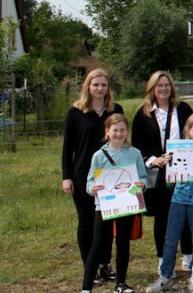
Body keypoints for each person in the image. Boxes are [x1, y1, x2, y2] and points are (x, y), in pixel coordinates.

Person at [62, 68, 124, 284]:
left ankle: (105, 264)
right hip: (82, 175)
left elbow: (122, 140)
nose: (100, 88)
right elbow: (67, 148)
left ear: (108, 88)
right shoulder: (75, 112)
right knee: (87, 222)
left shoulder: (115, 110)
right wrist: (66, 176)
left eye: (103, 85)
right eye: (95, 84)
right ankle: (90, 266)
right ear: (88, 86)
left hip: (110, 175)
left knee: (107, 222)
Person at [132, 71, 193, 272]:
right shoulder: (143, 114)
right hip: (158, 174)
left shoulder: (183, 109)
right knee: (163, 217)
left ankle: (188, 255)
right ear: (152, 88)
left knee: (185, 212)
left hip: (183, 170)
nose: (164, 89)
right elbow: (137, 145)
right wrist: (153, 160)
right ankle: (163, 259)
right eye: (159, 85)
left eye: (167, 85)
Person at [147, 113, 193, 293]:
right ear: (188, 131)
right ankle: (165, 276)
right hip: (179, 198)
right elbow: (170, 182)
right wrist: (169, 164)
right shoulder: (178, 149)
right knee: (171, 238)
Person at [81, 114, 147, 293]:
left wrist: (141, 186)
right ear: (107, 132)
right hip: (104, 206)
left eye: (122, 130)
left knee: (123, 243)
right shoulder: (98, 156)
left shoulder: (135, 153)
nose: (119, 133)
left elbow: (142, 178)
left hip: (127, 206)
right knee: (98, 244)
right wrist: (93, 188)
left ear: (127, 132)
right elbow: (88, 182)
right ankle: (86, 287)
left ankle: (120, 283)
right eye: (115, 130)